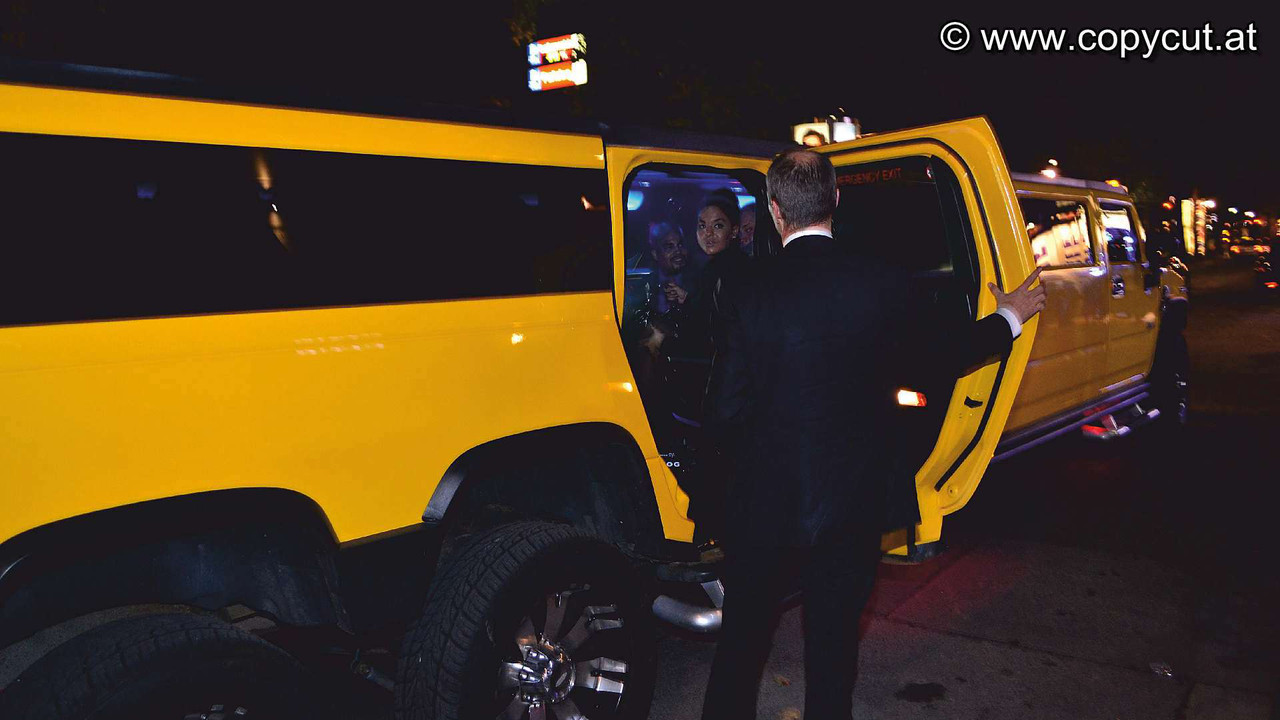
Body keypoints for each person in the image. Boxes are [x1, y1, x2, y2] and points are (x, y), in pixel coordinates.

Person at [700, 147, 1045, 720]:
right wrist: (1007, 318)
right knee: (833, 654)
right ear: (836, 199)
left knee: (740, 648)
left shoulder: (745, 288)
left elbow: (723, 411)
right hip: (851, 502)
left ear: (774, 209)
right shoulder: (881, 280)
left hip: (764, 504)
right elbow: (938, 356)